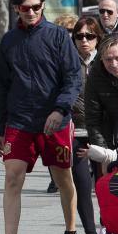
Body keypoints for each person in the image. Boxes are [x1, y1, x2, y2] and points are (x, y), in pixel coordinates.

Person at [0, 0, 82, 234]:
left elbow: (73, 78)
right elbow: (1, 87)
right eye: (25, 8)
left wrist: (60, 109)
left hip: (54, 121)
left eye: (37, 7)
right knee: (12, 177)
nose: (31, 12)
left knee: (63, 179)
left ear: (42, 5)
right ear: (17, 8)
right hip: (19, 121)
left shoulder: (57, 37)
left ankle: (71, 232)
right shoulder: (9, 41)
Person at [69, 17, 107, 234]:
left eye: (89, 36)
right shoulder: (68, 62)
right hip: (76, 132)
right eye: (79, 36)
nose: (84, 40)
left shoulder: (105, 62)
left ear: (97, 39)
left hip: (101, 133)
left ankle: (106, 230)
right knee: (82, 184)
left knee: (104, 184)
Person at [45, 13, 80, 194]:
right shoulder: (55, 47)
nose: (68, 34)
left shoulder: (80, 48)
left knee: (68, 148)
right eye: (65, 30)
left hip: (76, 106)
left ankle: (70, 179)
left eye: (72, 31)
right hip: (58, 104)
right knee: (53, 146)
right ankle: (54, 179)